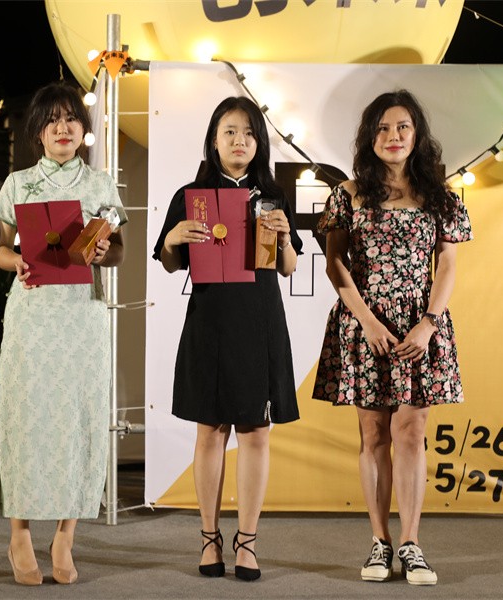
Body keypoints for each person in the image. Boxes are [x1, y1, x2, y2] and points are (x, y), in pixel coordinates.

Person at [312, 89, 472, 586]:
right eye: (382, 128)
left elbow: (447, 264)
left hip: (420, 326)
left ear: (417, 134)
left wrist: (429, 322)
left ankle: (412, 544)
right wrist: (366, 320)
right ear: (370, 137)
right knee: (374, 434)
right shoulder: (349, 193)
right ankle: (379, 542)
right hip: (366, 326)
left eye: (402, 126)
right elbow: (335, 263)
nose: (393, 136)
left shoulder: (442, 196)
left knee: (411, 433)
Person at [152, 96, 302, 581]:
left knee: (256, 432)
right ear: (214, 140)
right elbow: (170, 263)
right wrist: (173, 237)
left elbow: (288, 267)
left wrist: (283, 237)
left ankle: (248, 543)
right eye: (230, 132)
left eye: (249, 133)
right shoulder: (192, 195)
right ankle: (209, 539)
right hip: (210, 322)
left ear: (260, 143)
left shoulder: (272, 196)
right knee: (210, 430)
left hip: (260, 322)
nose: (240, 141)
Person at [0, 81, 126, 586]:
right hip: (32, 315)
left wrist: (103, 251)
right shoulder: (18, 184)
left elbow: (119, 251)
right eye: (51, 121)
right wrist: (15, 262)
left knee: (79, 419)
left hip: (81, 317)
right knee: (26, 418)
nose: (62, 128)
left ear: (83, 128)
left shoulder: (100, 185)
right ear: (38, 132)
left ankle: (66, 537)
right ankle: (19, 534)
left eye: (70, 118)